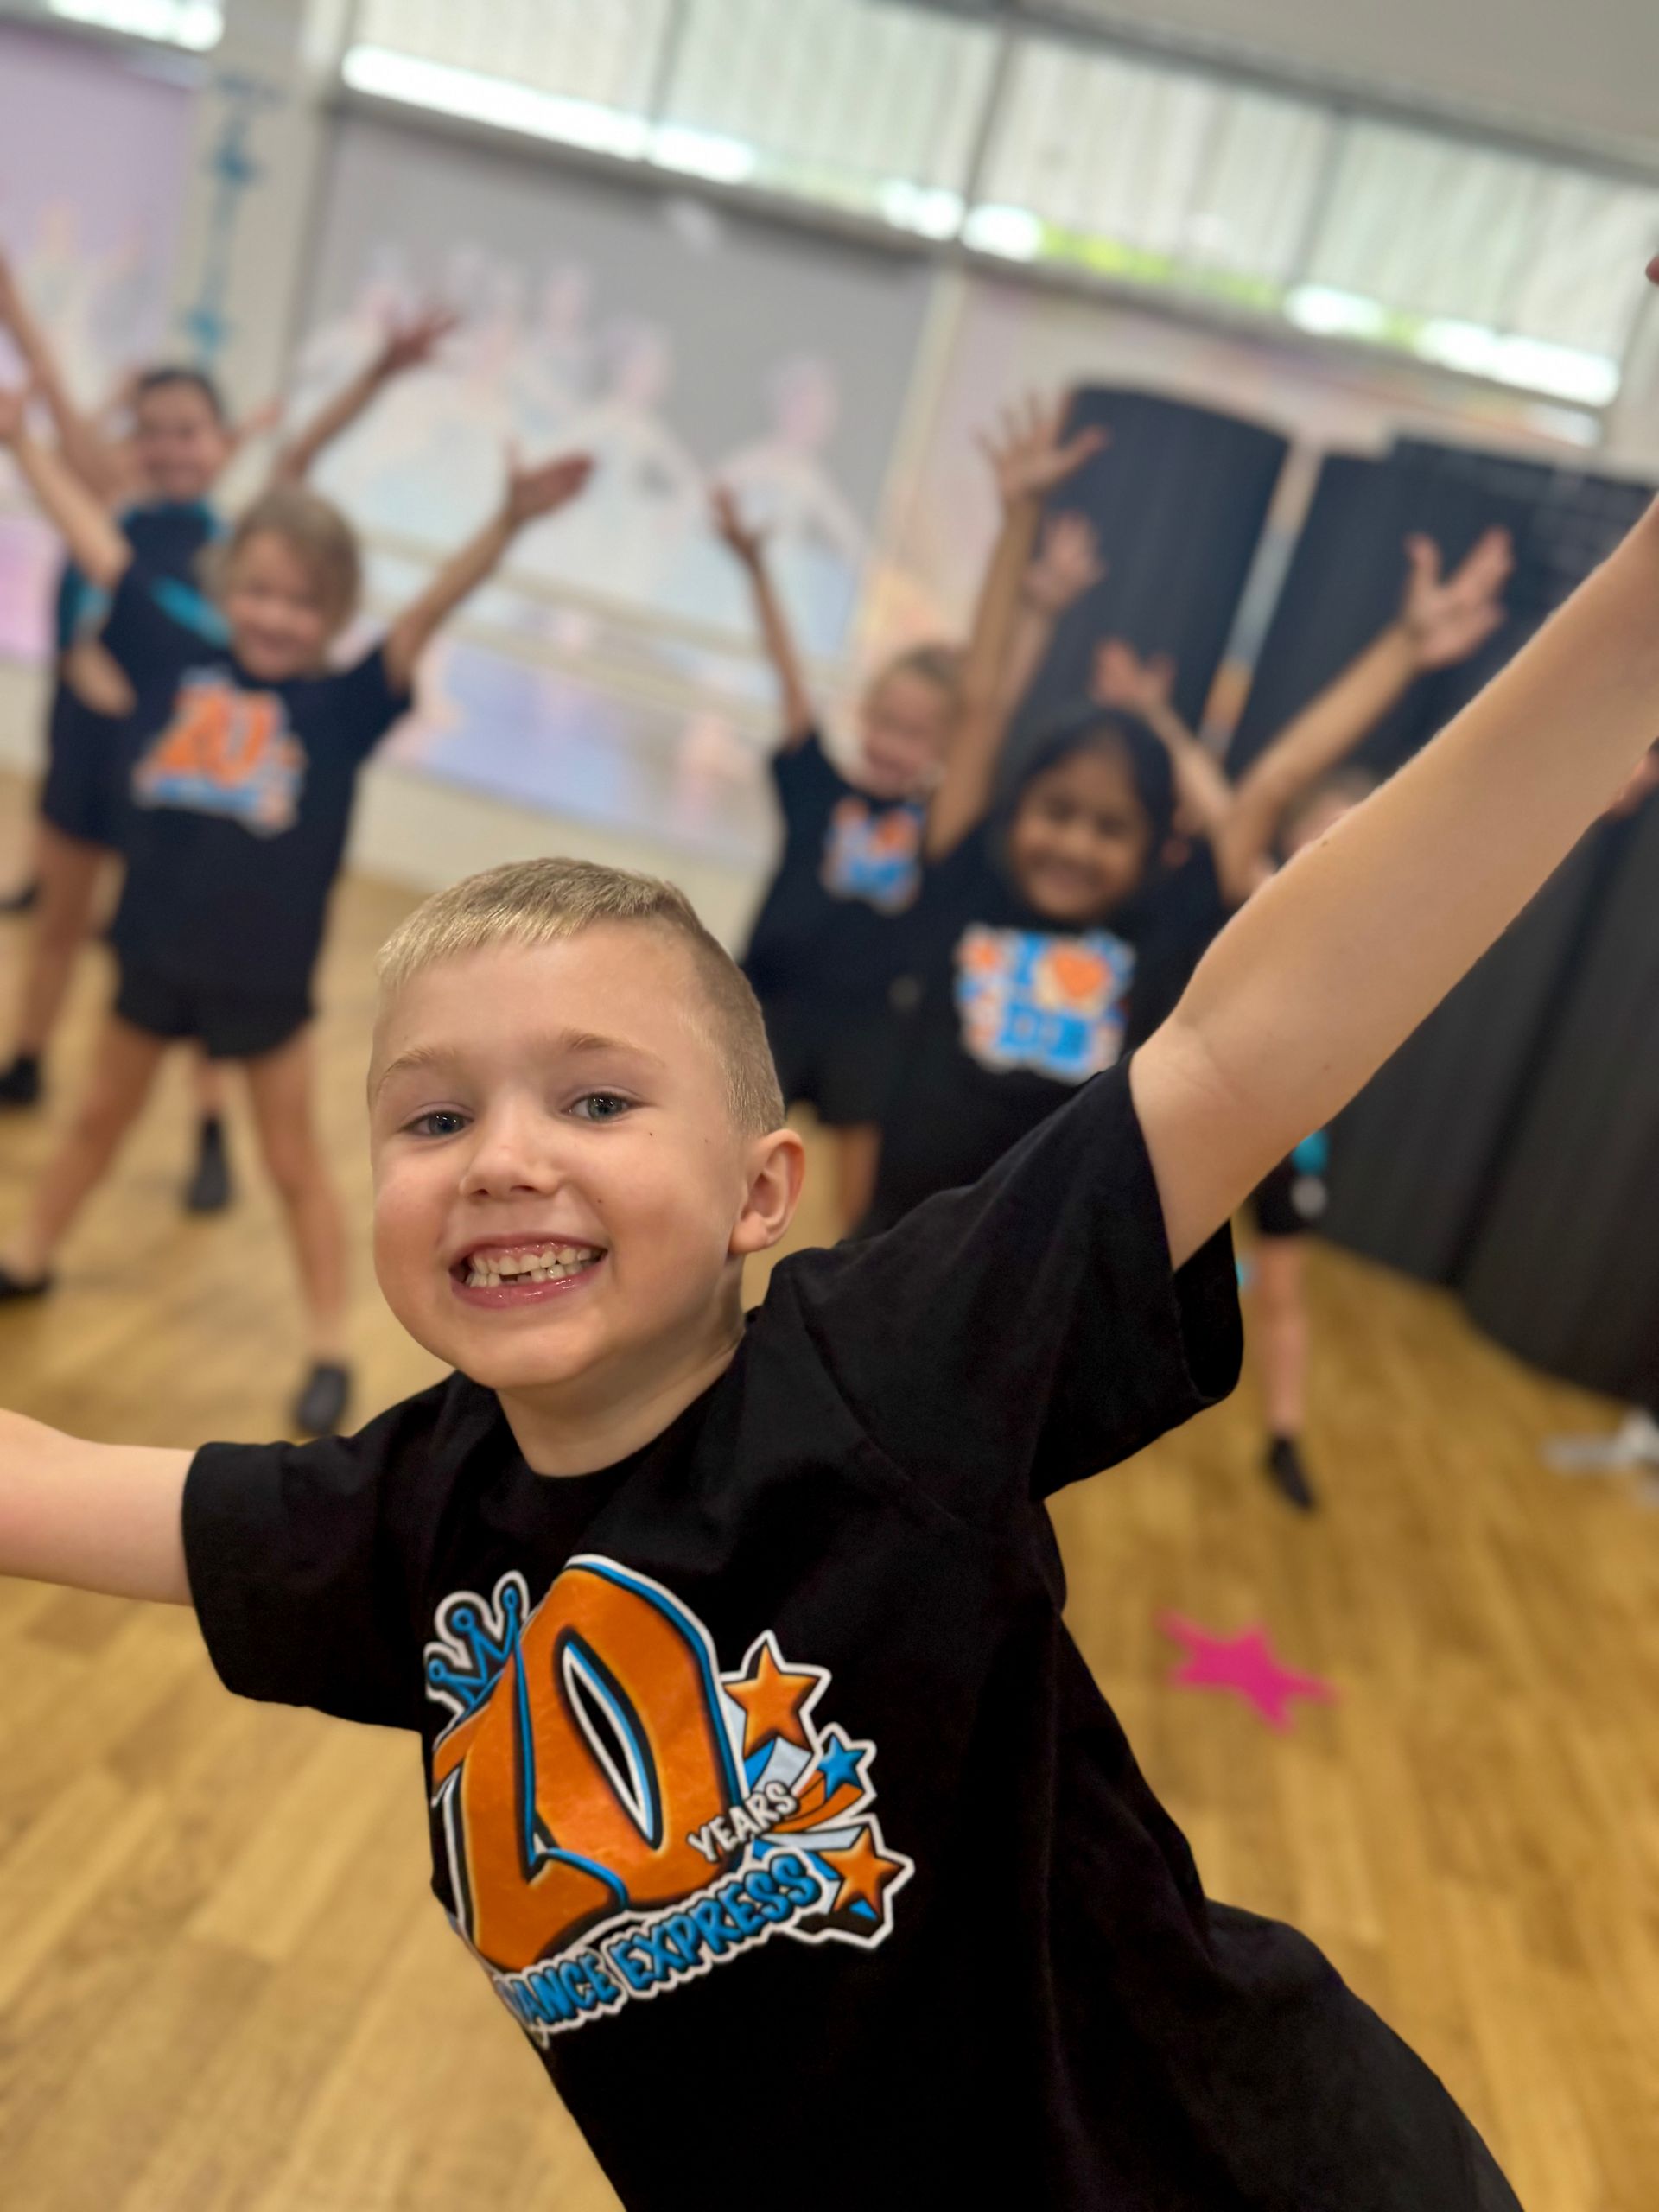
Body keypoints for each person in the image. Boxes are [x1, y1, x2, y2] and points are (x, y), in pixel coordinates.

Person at [11, 243, 1659, 2193]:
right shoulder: (406, 1526)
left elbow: (1245, 1039)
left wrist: (1633, 612)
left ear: (760, 1191)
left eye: (598, 1097)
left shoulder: (896, 1369)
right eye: (434, 1113)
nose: (503, 1154)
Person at [0, 383, 591, 1435]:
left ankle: (327, 1342)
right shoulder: (172, 657)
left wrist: (505, 522)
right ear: (228, 592)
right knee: (96, 1119)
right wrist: (22, 445)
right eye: (260, 593)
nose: (277, 616)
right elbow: (100, 550)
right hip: (151, 955)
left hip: (262, 980)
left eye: (304, 603)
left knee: (288, 1163)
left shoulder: (340, 704)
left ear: (333, 616)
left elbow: (426, 615)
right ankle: (28, 1257)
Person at [0, 247, 454, 1210]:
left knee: (189, 926)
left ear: (222, 442)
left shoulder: (233, 545)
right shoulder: (111, 502)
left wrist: (378, 373)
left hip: (196, 768)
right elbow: (48, 421)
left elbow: (299, 459)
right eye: (150, 431)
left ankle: (209, 1120)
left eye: (190, 433)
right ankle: (28, 1060)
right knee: (67, 922)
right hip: (92, 748)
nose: (168, 448)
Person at [1096, 525, 1515, 1508]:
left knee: (1280, 1286)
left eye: (1354, 833)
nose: (1331, 848)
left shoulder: (1382, 933)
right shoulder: (1249, 889)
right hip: (1180, 1114)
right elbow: (1261, 783)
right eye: (1315, 832)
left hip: (1289, 1131)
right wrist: (1403, 648)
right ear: (1286, 840)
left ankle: (1285, 1440)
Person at [716, 451, 1104, 1230]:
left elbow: (984, 716)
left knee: (862, 1207)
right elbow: (788, 675)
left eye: (914, 732)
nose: (893, 742)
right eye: (884, 721)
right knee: (726, 1171)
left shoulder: (943, 827)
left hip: (876, 1024)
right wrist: (755, 565)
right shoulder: (818, 787)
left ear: (937, 746)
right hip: (777, 1004)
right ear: (864, 713)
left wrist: (1039, 614)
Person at [856, 403, 1198, 1238]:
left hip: (1037, 1264)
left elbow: (1262, 800)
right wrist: (1018, 521)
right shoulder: (967, 873)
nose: (1075, 844)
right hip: (902, 1236)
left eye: (1110, 828)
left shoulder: (1151, 937)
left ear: (1156, 848)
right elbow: (976, 710)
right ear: (1016, 812)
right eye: (1057, 812)